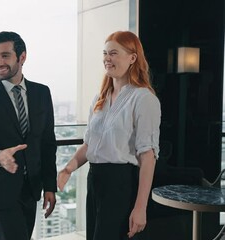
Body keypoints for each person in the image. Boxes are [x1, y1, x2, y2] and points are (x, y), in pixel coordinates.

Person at [57, 31, 161, 240]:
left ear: (132, 58)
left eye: (113, 53)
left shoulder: (143, 98)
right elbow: (89, 144)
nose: (107, 58)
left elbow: (148, 156)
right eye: (105, 53)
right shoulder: (100, 98)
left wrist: (141, 208)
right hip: (95, 181)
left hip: (121, 185)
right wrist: (68, 169)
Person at [0, 31, 57, 240]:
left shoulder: (42, 93)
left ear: (22, 57)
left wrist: (50, 186)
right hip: (1, 193)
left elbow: (47, 144)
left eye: (5, 55)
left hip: (31, 189)